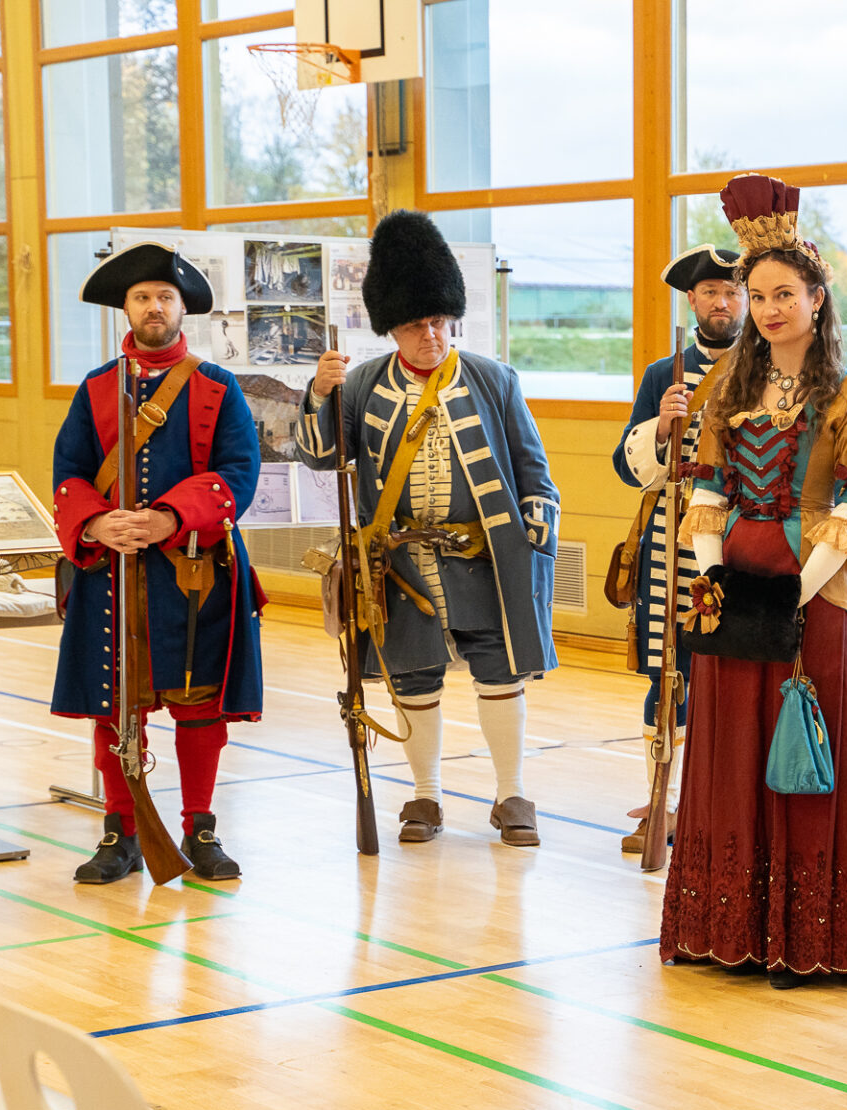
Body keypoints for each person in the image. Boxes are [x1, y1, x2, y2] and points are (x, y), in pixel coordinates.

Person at [659, 173, 847, 990]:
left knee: (808, 764)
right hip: (735, 596)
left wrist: (795, 592)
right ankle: (738, 932)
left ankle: (811, 938)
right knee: (733, 759)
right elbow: (709, 494)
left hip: (821, 600)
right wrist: (714, 581)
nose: (768, 309)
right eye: (757, 296)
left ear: (818, 300)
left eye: (785, 293)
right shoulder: (728, 390)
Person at [301, 210, 560, 847]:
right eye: (416, 325)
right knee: (414, 678)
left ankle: (511, 794)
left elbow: (534, 472)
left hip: (485, 559)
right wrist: (319, 396)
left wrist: (533, 534)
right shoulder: (361, 385)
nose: (431, 335)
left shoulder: (494, 380)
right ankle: (426, 795)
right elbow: (321, 455)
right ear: (392, 328)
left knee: (500, 672)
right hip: (402, 566)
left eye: (439, 321)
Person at [50, 242, 266, 884]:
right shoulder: (95, 388)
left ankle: (199, 828)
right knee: (114, 705)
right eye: (142, 297)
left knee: (199, 705)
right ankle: (122, 831)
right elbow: (67, 474)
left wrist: (172, 516)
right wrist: (96, 522)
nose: (154, 307)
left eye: (164, 297)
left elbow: (239, 472)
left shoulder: (218, 386)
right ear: (126, 307)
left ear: (181, 309)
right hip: (110, 574)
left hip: (195, 574)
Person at [611, 243, 743, 854]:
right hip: (670, 541)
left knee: (733, 674)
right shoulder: (661, 374)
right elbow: (627, 467)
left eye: (733, 292)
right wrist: (661, 426)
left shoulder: (765, 369)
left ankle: (717, 806)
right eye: (712, 292)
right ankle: (664, 801)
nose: (723, 302)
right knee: (667, 675)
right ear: (693, 300)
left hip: (735, 541)